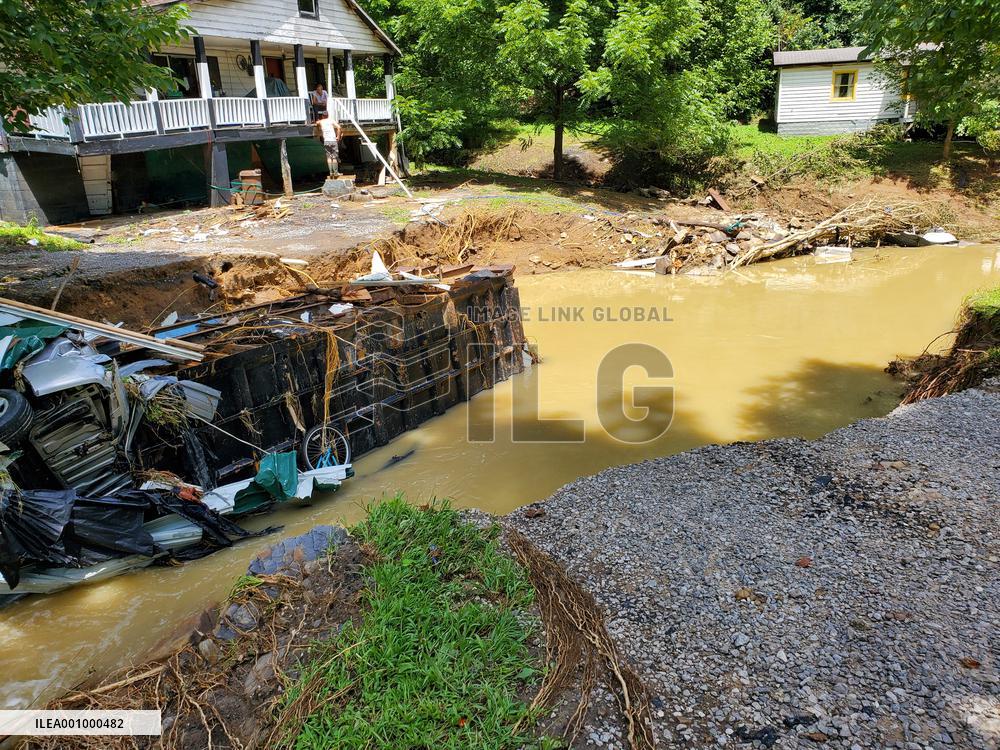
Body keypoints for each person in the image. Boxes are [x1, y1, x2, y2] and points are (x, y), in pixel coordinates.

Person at [315, 113, 343, 178]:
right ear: (328, 115)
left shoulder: (321, 121)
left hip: (326, 141)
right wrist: (338, 136)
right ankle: (336, 173)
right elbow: (339, 127)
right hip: (333, 141)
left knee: (329, 158)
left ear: (322, 116)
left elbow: (317, 123)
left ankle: (331, 172)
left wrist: (318, 127)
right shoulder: (331, 120)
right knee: (334, 157)